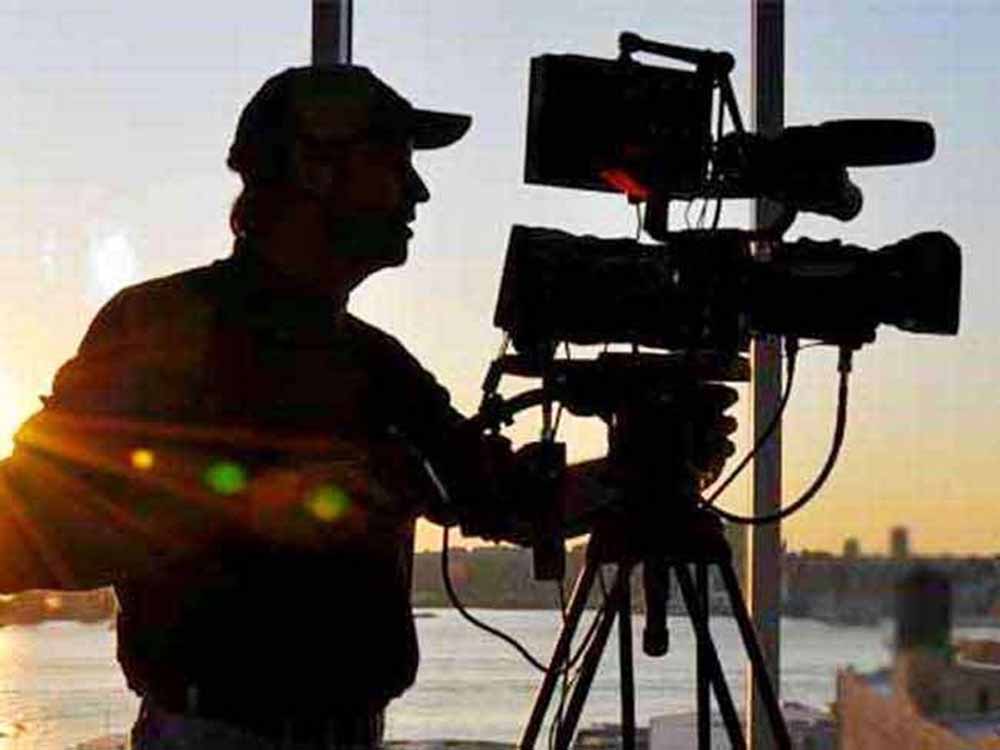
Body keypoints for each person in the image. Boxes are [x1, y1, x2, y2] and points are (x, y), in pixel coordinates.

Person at [0, 65, 737, 749]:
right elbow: (30, 530)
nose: (417, 193)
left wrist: (639, 472)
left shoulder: (373, 360)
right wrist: (244, 508)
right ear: (314, 170)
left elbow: (496, 496)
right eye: (393, 162)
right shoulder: (159, 329)